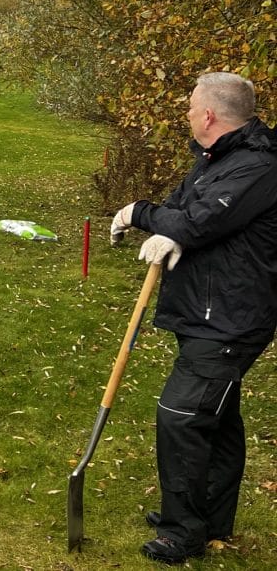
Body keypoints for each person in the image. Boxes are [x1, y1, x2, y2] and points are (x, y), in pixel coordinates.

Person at [109, 72, 277, 564]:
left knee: (183, 414)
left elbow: (194, 221)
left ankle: (183, 532)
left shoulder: (258, 167)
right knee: (216, 418)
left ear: (208, 115)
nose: (185, 113)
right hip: (209, 311)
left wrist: (140, 213)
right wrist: (173, 227)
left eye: (189, 106)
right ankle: (207, 519)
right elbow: (184, 209)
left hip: (232, 317)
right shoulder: (215, 160)